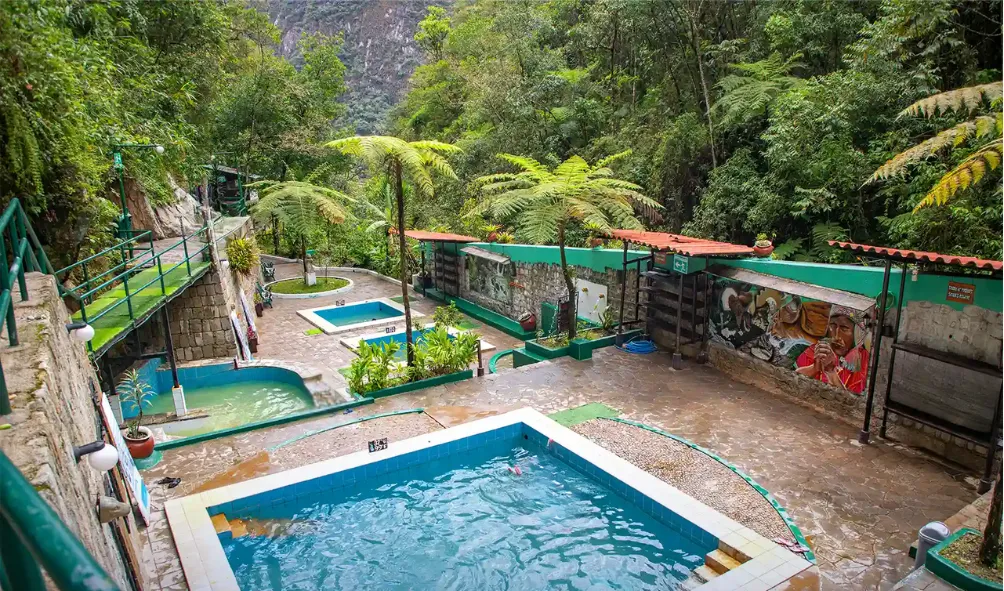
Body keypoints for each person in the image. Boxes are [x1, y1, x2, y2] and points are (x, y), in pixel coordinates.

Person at [795, 306, 869, 393]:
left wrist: (831, 372)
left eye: (844, 328)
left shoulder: (865, 361)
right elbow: (794, 380)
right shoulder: (816, 351)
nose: (836, 336)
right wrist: (814, 368)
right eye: (832, 326)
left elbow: (849, 403)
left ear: (858, 335)